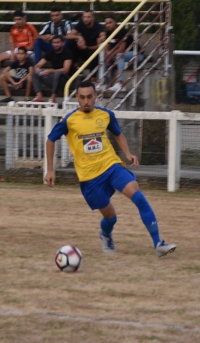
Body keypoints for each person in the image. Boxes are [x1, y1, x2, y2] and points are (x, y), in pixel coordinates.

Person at [44, 80, 177, 258]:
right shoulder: (69, 120)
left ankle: (158, 244)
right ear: (77, 98)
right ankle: (105, 234)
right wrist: (50, 169)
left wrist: (128, 153)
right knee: (110, 217)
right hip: (90, 178)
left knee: (139, 197)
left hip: (111, 166)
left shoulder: (106, 115)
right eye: (82, 97)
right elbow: (50, 139)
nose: (86, 101)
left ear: (95, 96)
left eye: (89, 97)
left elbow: (117, 133)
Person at [0, 10, 37, 88]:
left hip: (28, 51)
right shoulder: (13, 29)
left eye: (19, 19)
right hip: (18, 50)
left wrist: (21, 53)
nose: (17, 21)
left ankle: (16, 80)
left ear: (24, 19)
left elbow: (33, 44)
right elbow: (12, 43)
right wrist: (13, 53)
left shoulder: (30, 27)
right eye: (15, 19)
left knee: (22, 56)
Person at [102, 15, 144, 91]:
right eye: (106, 23)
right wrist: (108, 54)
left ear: (115, 22)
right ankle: (104, 83)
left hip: (136, 54)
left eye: (110, 23)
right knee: (103, 56)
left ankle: (121, 84)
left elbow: (121, 49)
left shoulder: (122, 31)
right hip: (121, 55)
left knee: (119, 55)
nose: (108, 25)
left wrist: (111, 54)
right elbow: (107, 47)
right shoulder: (108, 33)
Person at [32, 35, 74, 104]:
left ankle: (53, 98)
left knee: (57, 73)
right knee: (34, 72)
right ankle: (39, 97)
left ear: (63, 43)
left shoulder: (68, 53)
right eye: (54, 43)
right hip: (55, 79)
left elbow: (66, 70)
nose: (56, 44)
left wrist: (51, 71)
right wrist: (37, 68)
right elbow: (39, 64)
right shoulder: (50, 53)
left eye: (58, 42)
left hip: (66, 80)